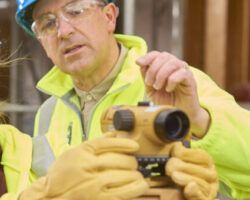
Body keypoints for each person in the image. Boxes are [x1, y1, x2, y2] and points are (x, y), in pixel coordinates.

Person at [15, 0, 250, 199]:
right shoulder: (47, 114)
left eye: (75, 11)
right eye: (47, 23)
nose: (63, 31)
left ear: (109, 16)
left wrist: (199, 120)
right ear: (42, 42)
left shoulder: (174, 86)